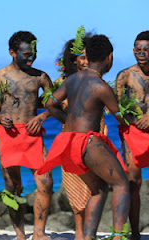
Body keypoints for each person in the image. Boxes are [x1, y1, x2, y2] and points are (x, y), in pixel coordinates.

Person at [38, 35, 130, 240]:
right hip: (87, 141)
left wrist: (68, 119)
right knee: (121, 184)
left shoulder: (72, 80)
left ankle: (87, 238)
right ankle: (118, 236)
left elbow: (50, 104)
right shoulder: (101, 87)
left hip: (68, 141)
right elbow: (121, 118)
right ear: (110, 57)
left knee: (98, 189)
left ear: (87, 55)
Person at [0, 31, 53, 240]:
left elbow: (53, 104)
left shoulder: (40, 76)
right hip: (7, 134)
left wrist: (41, 117)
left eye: (33, 53)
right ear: (12, 52)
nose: (31, 58)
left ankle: (39, 233)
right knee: (12, 186)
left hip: (33, 134)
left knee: (46, 182)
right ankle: (20, 234)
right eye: (25, 54)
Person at [53, 28, 106, 240]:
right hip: (72, 137)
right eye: (82, 57)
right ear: (73, 60)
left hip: (96, 133)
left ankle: (89, 232)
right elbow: (50, 105)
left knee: (93, 183)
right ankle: (79, 232)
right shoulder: (64, 82)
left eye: (88, 57)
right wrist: (63, 120)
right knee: (75, 183)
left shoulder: (96, 79)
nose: (86, 61)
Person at [116, 30, 149, 240]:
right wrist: (132, 121)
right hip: (133, 132)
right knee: (133, 183)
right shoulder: (125, 75)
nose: (142, 53)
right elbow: (116, 107)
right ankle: (135, 233)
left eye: (146, 49)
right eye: (138, 49)